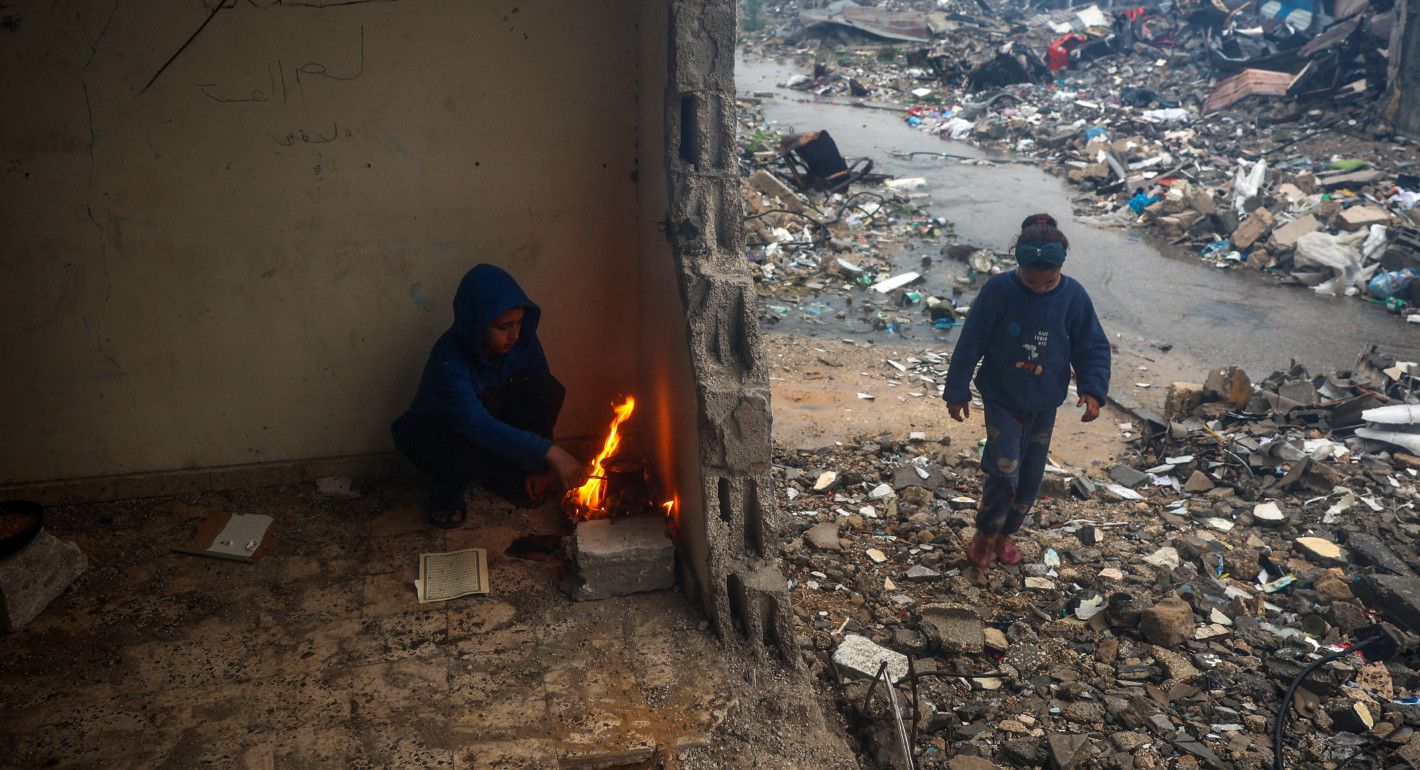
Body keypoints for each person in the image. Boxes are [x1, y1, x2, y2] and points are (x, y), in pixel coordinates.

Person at [943, 214, 1111, 570]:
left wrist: (1092, 389)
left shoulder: (1074, 296)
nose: (1037, 287)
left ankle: (1007, 533)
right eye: (1030, 280)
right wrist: (956, 389)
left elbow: (1091, 345)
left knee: (1031, 477)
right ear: (1017, 265)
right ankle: (986, 534)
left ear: (1060, 268)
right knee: (1004, 469)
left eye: (1047, 281)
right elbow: (971, 340)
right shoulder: (998, 290)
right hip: (1002, 394)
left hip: (1045, 399)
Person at [391, 264, 584, 528]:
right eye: (504, 326)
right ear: (478, 326)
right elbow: (475, 424)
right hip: (436, 436)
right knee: (464, 433)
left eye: (518, 322)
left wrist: (539, 468)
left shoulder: (522, 342)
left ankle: (510, 473)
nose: (514, 334)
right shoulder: (448, 359)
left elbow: (539, 398)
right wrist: (552, 453)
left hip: (489, 421)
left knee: (545, 389)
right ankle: (447, 490)